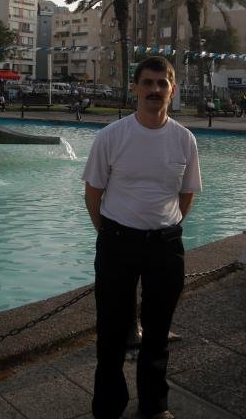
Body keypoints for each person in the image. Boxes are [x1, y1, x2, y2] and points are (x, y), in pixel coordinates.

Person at [82, 56, 202, 419]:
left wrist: (167, 226)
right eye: (147, 82)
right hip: (118, 241)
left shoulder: (184, 140)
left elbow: (187, 193)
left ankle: (154, 405)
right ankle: (108, 407)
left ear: (172, 90)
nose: (154, 89)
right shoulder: (111, 136)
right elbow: (93, 193)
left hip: (165, 245)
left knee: (158, 331)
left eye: (162, 83)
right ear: (134, 88)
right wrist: (109, 233)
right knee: (111, 331)